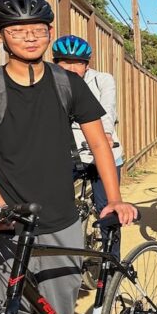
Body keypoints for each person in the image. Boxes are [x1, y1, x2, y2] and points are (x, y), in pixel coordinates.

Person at [0, 0, 137, 314]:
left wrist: (115, 198)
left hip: (60, 212)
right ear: (0, 36)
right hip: (6, 217)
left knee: (59, 295)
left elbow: (98, 141)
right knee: (7, 305)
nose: (29, 37)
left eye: (37, 30)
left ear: (49, 33)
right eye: (18, 30)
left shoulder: (66, 83)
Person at [53, 34, 125, 260]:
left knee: (108, 210)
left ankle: (111, 263)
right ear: (55, 63)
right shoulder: (49, 82)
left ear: (87, 64)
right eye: (65, 62)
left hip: (102, 150)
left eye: (79, 63)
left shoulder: (102, 80)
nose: (72, 68)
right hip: (68, 152)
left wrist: (105, 135)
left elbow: (107, 111)